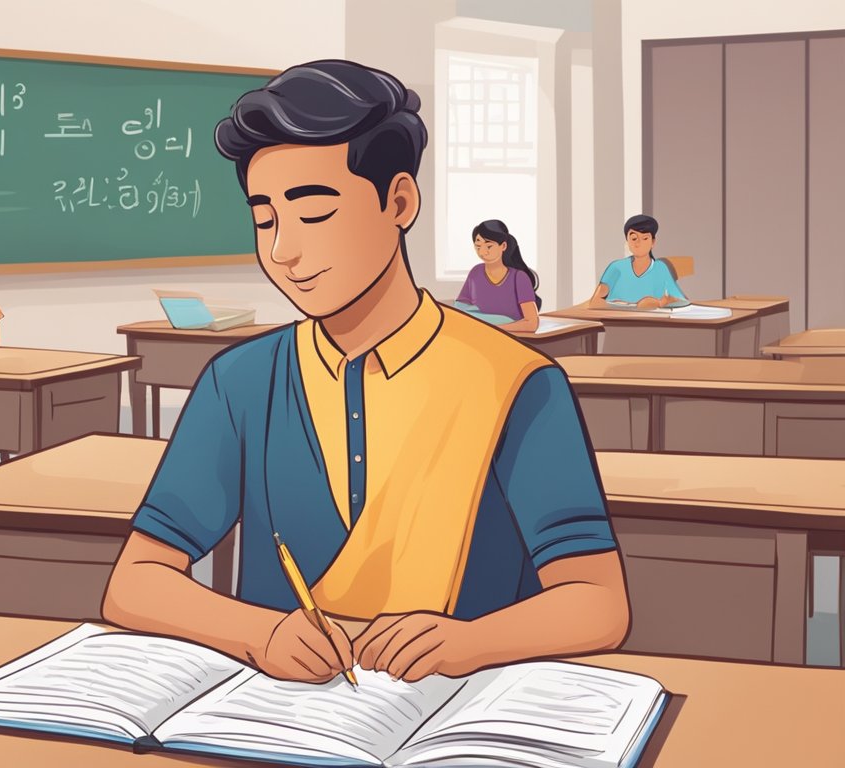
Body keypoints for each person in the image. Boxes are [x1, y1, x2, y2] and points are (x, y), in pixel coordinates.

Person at [101, 61, 629, 685]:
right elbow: (133, 583)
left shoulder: (516, 382)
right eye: (265, 218)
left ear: (399, 201)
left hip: (460, 712)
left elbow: (599, 601)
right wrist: (260, 632)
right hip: (284, 717)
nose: (282, 250)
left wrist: (475, 642)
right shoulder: (240, 380)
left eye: (314, 213)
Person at [455, 219, 541, 332]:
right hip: (477, 334)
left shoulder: (519, 278)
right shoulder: (475, 273)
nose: (482, 252)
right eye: (478, 246)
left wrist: (494, 329)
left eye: (489, 246)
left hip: (512, 338)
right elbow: (460, 309)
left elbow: (532, 323)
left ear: (503, 246)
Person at [589, 214, 687, 308]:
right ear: (627, 241)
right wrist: (627, 307)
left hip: (650, 322)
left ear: (653, 242)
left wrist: (659, 303)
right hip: (616, 321)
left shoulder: (660, 268)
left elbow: (681, 300)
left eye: (645, 238)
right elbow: (595, 303)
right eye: (634, 238)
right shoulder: (616, 268)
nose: (638, 243)